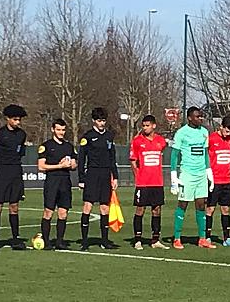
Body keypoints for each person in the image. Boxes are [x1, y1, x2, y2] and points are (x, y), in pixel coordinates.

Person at [170, 107, 214, 250]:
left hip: (201, 174)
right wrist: (173, 176)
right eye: (197, 117)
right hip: (187, 174)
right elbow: (174, 155)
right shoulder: (181, 133)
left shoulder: (204, 132)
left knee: (201, 205)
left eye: (201, 116)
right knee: (183, 204)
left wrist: (209, 172)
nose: (200, 119)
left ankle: (202, 238)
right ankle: (177, 238)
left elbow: (205, 153)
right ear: (189, 118)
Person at [78, 107, 119, 251]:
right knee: (88, 206)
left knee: (104, 207)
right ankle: (84, 241)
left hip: (105, 174)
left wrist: (115, 177)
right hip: (92, 175)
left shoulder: (109, 136)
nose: (101, 123)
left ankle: (104, 241)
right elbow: (82, 158)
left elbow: (112, 158)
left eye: (103, 121)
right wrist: (81, 178)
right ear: (94, 121)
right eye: (99, 121)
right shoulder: (87, 137)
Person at [129, 115, 169, 250]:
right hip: (143, 183)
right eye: (143, 125)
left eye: (147, 125)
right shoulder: (137, 141)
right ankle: (137, 239)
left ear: (154, 126)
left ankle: (155, 239)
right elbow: (133, 160)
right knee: (140, 209)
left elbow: (163, 148)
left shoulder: (160, 141)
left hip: (157, 182)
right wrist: (137, 176)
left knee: (157, 210)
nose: (145, 128)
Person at [37, 119, 77, 250]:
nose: (61, 132)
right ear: (53, 129)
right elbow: (41, 166)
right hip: (52, 181)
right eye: (58, 129)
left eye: (63, 130)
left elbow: (74, 165)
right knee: (48, 211)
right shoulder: (46, 146)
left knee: (63, 212)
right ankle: (47, 242)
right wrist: (59, 165)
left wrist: (71, 164)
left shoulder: (69, 146)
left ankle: (60, 241)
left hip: (65, 181)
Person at [0, 104, 28, 251]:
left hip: (16, 171)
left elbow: (21, 153)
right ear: (7, 119)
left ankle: (15, 239)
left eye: (19, 120)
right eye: (15, 119)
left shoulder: (22, 135)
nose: (18, 122)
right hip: (1, 171)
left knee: (14, 206)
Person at [206, 116, 230, 247]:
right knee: (210, 209)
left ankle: (227, 238)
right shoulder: (211, 139)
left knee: (225, 209)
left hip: (227, 179)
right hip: (214, 180)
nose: (228, 133)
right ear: (221, 127)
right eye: (227, 130)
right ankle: (207, 237)